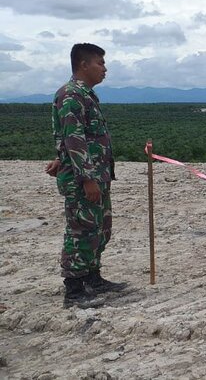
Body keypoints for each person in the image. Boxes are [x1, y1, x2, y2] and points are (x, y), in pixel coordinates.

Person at [47, 43, 127, 308]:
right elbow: (73, 137)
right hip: (85, 178)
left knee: (101, 229)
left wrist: (61, 157)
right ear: (84, 65)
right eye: (100, 63)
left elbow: (68, 137)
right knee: (80, 230)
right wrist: (87, 177)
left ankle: (93, 277)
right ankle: (74, 290)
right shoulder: (71, 95)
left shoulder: (86, 95)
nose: (105, 68)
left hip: (97, 174)